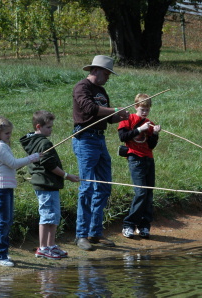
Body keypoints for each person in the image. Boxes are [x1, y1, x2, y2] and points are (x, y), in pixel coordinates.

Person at [72, 55, 130, 251]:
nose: (108, 77)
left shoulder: (102, 91)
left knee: (104, 187)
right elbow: (89, 108)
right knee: (87, 188)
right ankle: (81, 235)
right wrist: (114, 110)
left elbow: (104, 118)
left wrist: (120, 116)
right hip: (85, 139)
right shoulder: (82, 87)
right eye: (106, 73)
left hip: (100, 139)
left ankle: (95, 233)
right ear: (95, 70)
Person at [0, 116, 42, 267]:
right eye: (7, 133)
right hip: (1, 187)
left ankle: (2, 252)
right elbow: (13, 164)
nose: (9, 137)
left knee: (6, 220)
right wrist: (33, 157)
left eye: (10, 133)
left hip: (1, 185)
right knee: (3, 221)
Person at [20, 110, 80, 260]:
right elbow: (49, 164)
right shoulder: (44, 143)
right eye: (48, 127)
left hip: (48, 184)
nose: (51, 130)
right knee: (47, 216)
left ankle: (51, 245)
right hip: (46, 184)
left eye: (51, 127)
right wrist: (67, 176)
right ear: (39, 126)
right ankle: (43, 248)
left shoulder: (32, 140)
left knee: (54, 216)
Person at [117, 94, 161, 240]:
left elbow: (151, 145)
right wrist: (140, 129)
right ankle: (128, 225)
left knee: (148, 194)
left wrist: (154, 133)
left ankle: (144, 226)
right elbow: (123, 137)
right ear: (136, 107)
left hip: (149, 159)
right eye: (142, 109)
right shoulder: (127, 119)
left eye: (147, 110)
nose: (145, 112)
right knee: (141, 192)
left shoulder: (150, 123)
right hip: (135, 158)